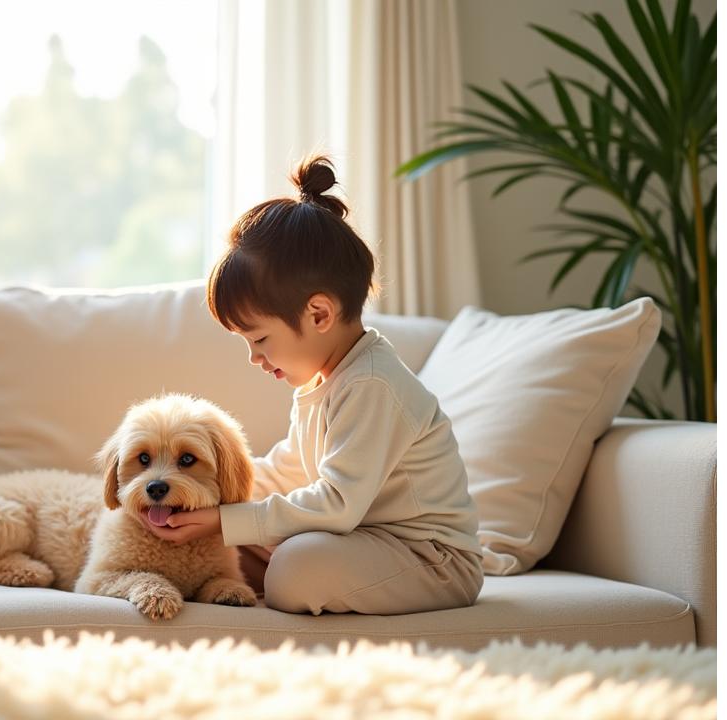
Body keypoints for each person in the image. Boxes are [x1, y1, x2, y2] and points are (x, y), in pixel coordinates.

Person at [140, 154, 483, 615]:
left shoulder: (372, 384)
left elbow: (338, 502)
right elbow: (288, 470)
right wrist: (205, 486)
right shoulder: (322, 382)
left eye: (259, 338)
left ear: (318, 314)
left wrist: (225, 520)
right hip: (362, 541)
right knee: (225, 545)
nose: (254, 357)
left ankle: (283, 573)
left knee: (293, 565)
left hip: (431, 560)